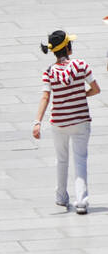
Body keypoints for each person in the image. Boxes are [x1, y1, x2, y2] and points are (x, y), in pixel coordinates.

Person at [33, 30, 99, 213]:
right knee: (80, 160)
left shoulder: (49, 72)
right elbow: (96, 89)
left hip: (59, 122)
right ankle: (82, 201)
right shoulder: (81, 65)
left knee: (61, 160)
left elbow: (45, 97)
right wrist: (81, 94)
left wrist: (37, 122)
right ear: (68, 47)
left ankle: (61, 196)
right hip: (81, 121)